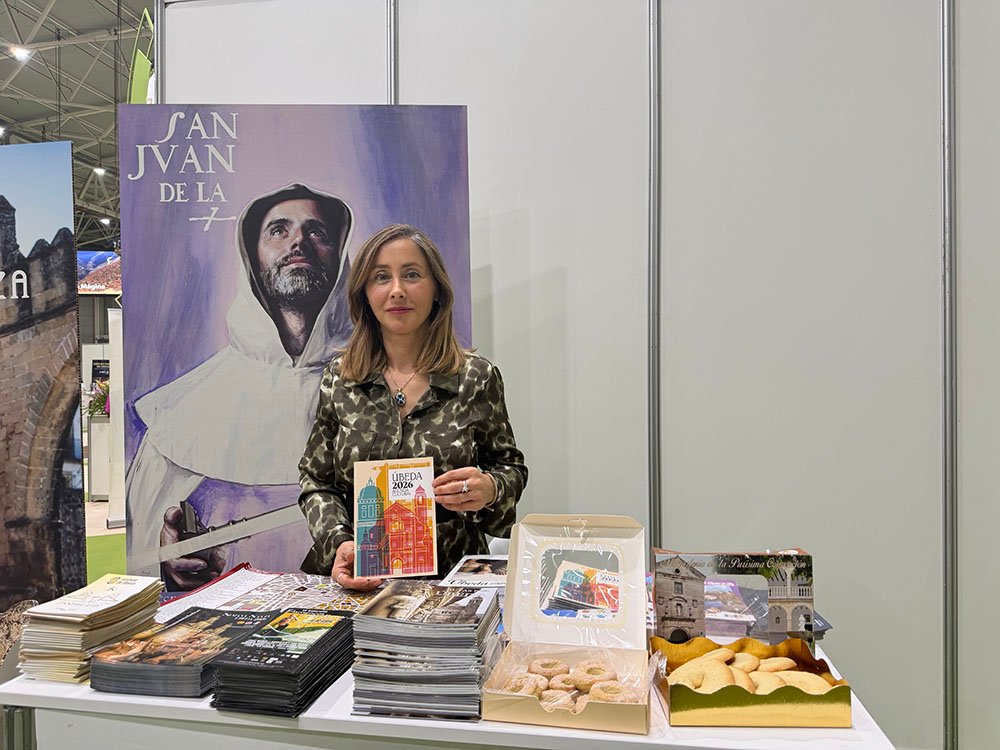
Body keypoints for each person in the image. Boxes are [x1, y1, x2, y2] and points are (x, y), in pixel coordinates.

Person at [126, 184, 354, 590]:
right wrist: (168, 560)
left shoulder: (380, 385)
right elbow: (142, 543)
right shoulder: (185, 411)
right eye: (279, 230)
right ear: (252, 255)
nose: (298, 241)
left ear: (340, 252)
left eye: (316, 231)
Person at [298, 224, 528, 590]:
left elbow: (510, 468)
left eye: (412, 275)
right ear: (364, 295)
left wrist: (490, 489)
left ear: (437, 290)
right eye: (381, 277)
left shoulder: (475, 378)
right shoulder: (339, 379)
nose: (397, 290)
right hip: (361, 580)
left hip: (451, 585)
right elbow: (316, 481)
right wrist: (338, 542)